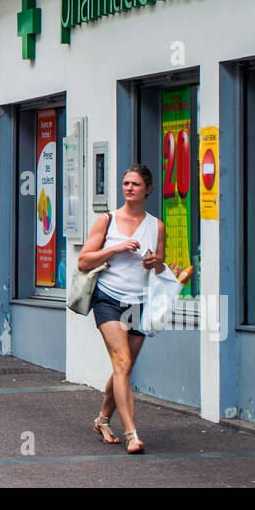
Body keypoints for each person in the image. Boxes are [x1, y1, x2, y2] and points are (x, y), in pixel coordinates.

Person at [76, 163, 166, 455]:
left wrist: (156, 263)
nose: (129, 188)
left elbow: (161, 266)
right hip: (108, 299)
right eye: (126, 183)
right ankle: (132, 435)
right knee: (123, 363)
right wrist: (114, 249)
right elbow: (83, 262)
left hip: (138, 302)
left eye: (136, 184)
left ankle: (102, 420)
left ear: (148, 190)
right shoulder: (107, 221)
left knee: (122, 369)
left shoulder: (156, 226)